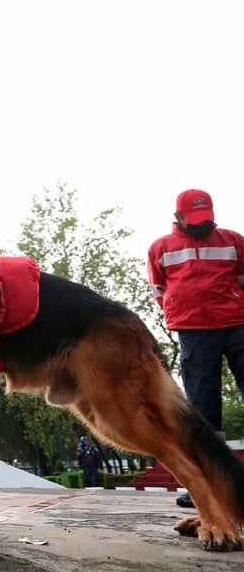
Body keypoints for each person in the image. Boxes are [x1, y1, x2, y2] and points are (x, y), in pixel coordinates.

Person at [147, 188, 244, 508]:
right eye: (195, 220)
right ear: (178, 218)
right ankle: (211, 483)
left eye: (207, 219)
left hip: (238, 325)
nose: (203, 225)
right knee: (202, 410)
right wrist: (183, 312)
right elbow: (160, 290)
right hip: (195, 333)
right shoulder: (160, 248)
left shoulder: (232, 240)